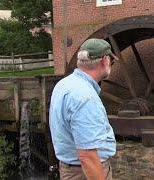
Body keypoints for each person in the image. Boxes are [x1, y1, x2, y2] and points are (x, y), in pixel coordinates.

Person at [49, 38, 118, 180]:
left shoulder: (63, 85)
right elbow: (87, 156)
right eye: (112, 61)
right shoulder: (85, 97)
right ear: (104, 60)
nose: (111, 64)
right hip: (85, 173)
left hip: (70, 168)